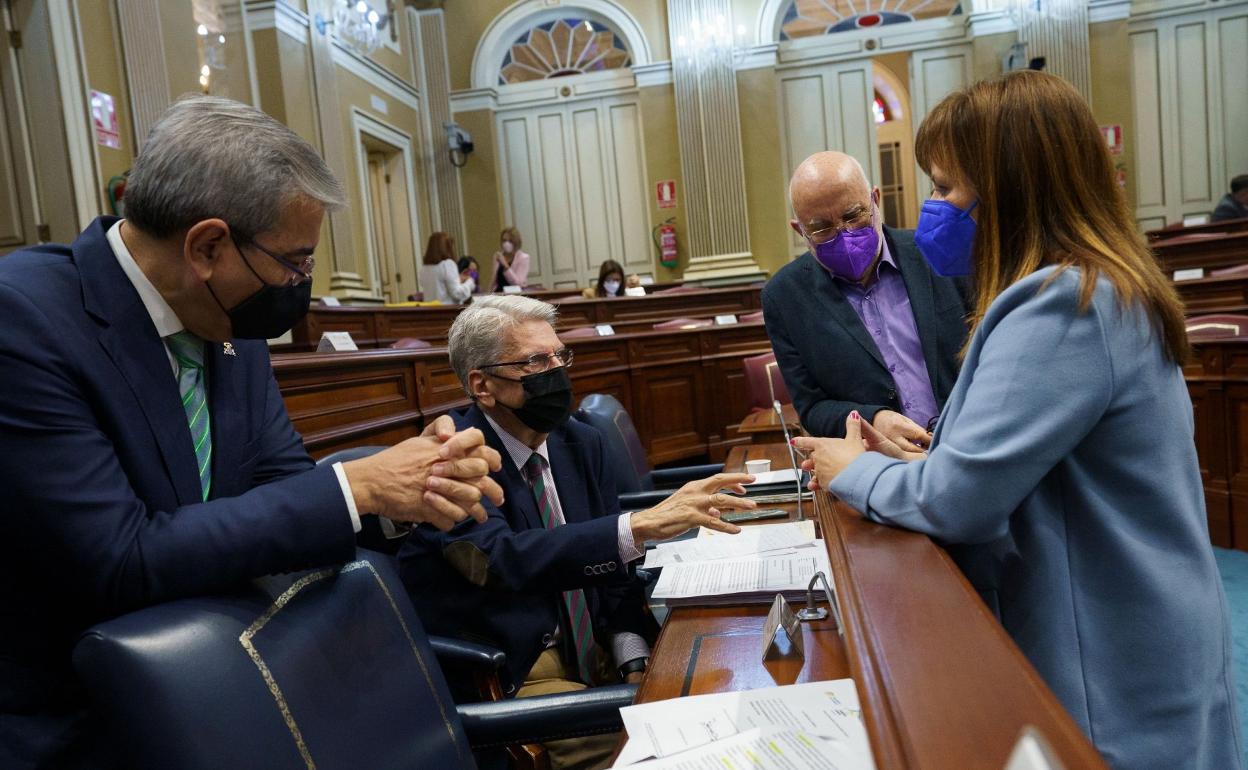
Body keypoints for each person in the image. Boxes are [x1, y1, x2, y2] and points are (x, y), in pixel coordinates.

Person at [0, 95, 505, 768]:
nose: (299, 285)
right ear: (207, 246)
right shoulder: (24, 319)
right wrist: (358, 487)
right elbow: (121, 558)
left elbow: (279, 495)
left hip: (237, 685)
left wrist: (402, 494)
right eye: (294, 263)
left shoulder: (225, 317)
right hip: (84, 729)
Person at [794, 71, 1242, 770]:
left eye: (946, 186)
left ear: (1008, 190)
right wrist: (922, 460)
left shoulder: (1065, 305)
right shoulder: (1086, 283)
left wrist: (857, 472)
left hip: (1112, 648)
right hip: (1128, 617)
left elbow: (960, 501)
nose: (934, 207)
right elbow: (1030, 463)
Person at [399, 294, 756, 769]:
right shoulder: (451, 459)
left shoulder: (579, 440)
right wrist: (636, 526)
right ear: (482, 386)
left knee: (729, 688)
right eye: (534, 362)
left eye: (558, 356)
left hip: (598, 648)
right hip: (522, 667)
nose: (556, 373)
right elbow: (501, 559)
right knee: (681, 747)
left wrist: (633, 656)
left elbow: (615, 573)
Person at [763, 151, 969, 452]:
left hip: (969, 446)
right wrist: (873, 420)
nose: (844, 234)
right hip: (878, 463)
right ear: (800, 230)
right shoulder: (784, 297)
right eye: (822, 228)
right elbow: (813, 407)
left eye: (853, 215)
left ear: (875, 199)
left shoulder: (936, 253)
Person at [419, 231, 474, 304]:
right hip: (447, 311)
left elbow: (439, 286)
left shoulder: (424, 268)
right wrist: (470, 282)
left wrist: (458, 279)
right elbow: (457, 294)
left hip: (430, 312)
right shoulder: (447, 264)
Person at [491, 226, 531, 291]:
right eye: (504, 240)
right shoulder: (498, 256)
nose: (506, 243)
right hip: (498, 293)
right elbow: (494, 280)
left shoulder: (524, 258)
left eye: (510, 241)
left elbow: (518, 283)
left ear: (516, 242)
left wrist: (506, 266)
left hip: (514, 295)